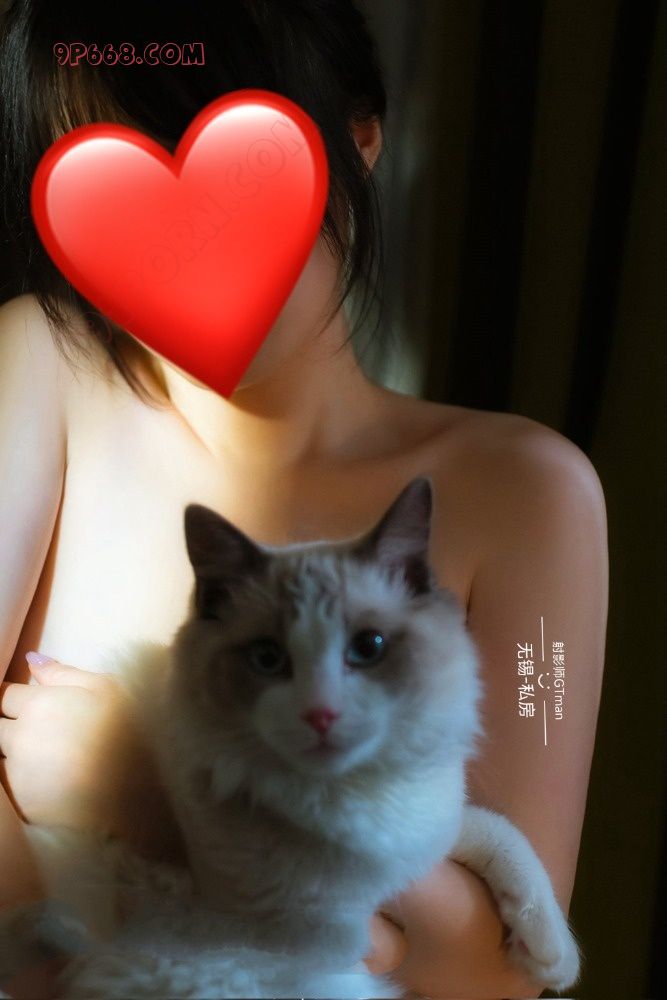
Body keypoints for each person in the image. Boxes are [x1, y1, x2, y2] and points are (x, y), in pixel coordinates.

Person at [0, 1, 608, 997]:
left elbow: (499, 974)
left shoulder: (530, 498)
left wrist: (149, 800)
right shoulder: (39, 372)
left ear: (357, 140)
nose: (182, 256)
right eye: (118, 200)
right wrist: (363, 919)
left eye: (233, 192)